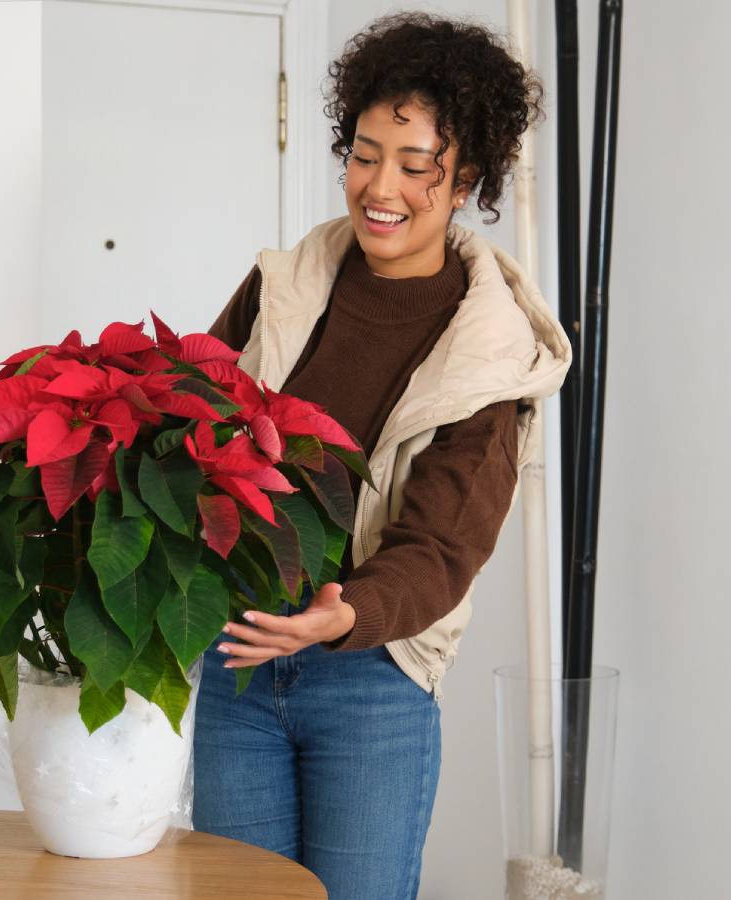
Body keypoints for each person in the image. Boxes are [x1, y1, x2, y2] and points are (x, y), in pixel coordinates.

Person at [190, 12, 571, 900]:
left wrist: (343, 617)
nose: (380, 186)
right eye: (364, 155)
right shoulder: (284, 286)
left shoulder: (490, 353)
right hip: (238, 659)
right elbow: (187, 423)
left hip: (372, 682)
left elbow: (442, 550)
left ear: (466, 174)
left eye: (414, 165)